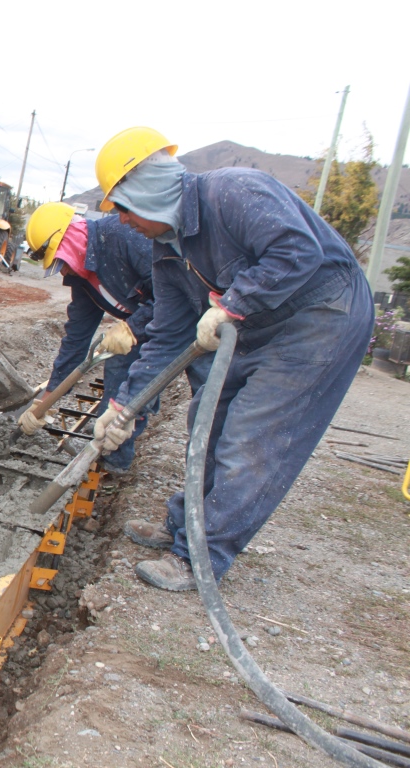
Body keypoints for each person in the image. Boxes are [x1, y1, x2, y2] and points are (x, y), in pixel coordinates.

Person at [91, 126, 373, 591]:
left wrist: (233, 302)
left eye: (122, 207)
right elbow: (166, 335)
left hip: (321, 317)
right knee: (207, 416)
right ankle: (184, 526)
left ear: (146, 189)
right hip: (260, 324)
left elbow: (296, 249)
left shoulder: (235, 191)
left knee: (251, 437)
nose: (121, 221)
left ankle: (199, 557)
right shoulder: (167, 251)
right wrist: (125, 406)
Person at [19, 202, 164, 473]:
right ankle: (111, 463)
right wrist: (47, 398)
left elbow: (174, 296)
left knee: (202, 393)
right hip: (145, 325)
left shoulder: (124, 237)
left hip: (188, 320)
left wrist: (134, 326)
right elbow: (77, 337)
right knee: (118, 375)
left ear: (72, 240)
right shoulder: (81, 277)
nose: (63, 271)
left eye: (61, 262)